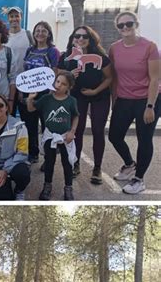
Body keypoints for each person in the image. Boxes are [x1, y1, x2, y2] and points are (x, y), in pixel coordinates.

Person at [108, 11, 160, 194]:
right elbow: (114, 77)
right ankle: (129, 164)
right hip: (124, 98)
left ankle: (139, 179)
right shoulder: (114, 48)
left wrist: (150, 106)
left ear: (136, 24)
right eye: (121, 25)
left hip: (147, 99)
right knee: (114, 135)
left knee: (144, 139)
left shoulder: (150, 47)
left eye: (128, 24)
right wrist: (114, 100)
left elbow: (155, 79)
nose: (125, 28)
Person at [57, 25, 112, 182]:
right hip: (77, 96)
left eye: (84, 36)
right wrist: (68, 75)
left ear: (91, 39)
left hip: (99, 95)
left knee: (97, 130)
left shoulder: (100, 56)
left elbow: (109, 78)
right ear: (72, 39)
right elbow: (57, 75)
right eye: (77, 36)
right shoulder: (66, 56)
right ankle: (76, 164)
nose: (80, 39)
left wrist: (95, 91)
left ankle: (97, 168)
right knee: (77, 130)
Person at [27, 70, 79, 201]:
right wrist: (30, 99)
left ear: (69, 87)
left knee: (67, 163)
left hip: (65, 136)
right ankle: (47, 186)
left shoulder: (71, 101)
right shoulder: (46, 99)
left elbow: (76, 116)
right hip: (50, 136)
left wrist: (72, 132)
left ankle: (68, 188)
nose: (59, 85)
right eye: (58, 81)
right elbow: (31, 109)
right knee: (49, 162)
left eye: (63, 84)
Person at [19, 21, 60, 164]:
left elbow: (54, 73)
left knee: (46, 127)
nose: (40, 33)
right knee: (30, 124)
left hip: (45, 94)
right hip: (28, 93)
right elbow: (25, 71)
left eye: (44, 30)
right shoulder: (30, 50)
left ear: (49, 34)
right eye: (37, 30)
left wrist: (51, 94)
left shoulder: (53, 51)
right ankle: (33, 153)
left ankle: (48, 157)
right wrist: (21, 91)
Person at [6, 6, 34, 83]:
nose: (14, 19)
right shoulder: (4, 36)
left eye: (17, 16)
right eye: (11, 16)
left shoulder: (28, 34)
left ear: (21, 17)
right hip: (9, 80)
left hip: (26, 79)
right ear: (8, 19)